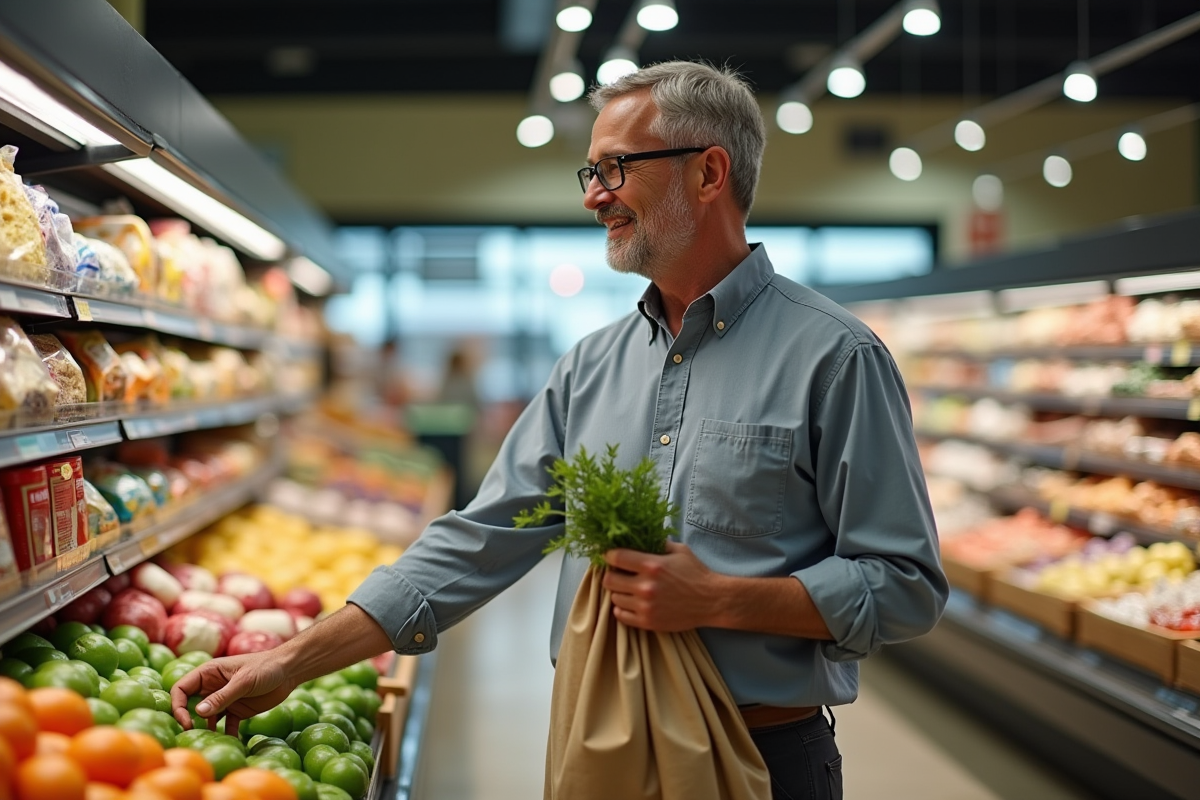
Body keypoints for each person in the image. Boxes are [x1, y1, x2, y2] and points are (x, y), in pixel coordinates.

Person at [172, 61, 948, 799]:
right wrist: (288, 660)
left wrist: (720, 599)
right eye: (592, 173)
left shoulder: (836, 356)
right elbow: (481, 538)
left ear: (709, 173)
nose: (593, 197)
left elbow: (906, 585)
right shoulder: (590, 366)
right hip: (598, 737)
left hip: (761, 755)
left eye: (616, 169)